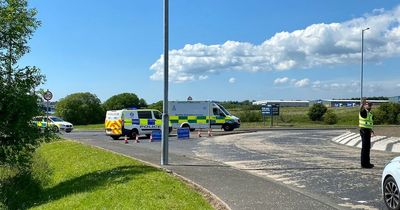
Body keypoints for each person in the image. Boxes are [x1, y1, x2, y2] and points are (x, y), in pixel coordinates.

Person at [359, 100, 375, 168]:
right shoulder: (363, 112)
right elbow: (361, 110)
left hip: (367, 130)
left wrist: (371, 130)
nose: (370, 106)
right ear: (365, 105)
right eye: (368, 105)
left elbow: (369, 123)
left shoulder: (369, 113)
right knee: (365, 148)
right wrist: (362, 104)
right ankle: (364, 164)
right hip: (364, 131)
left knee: (367, 148)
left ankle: (367, 163)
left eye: (371, 105)